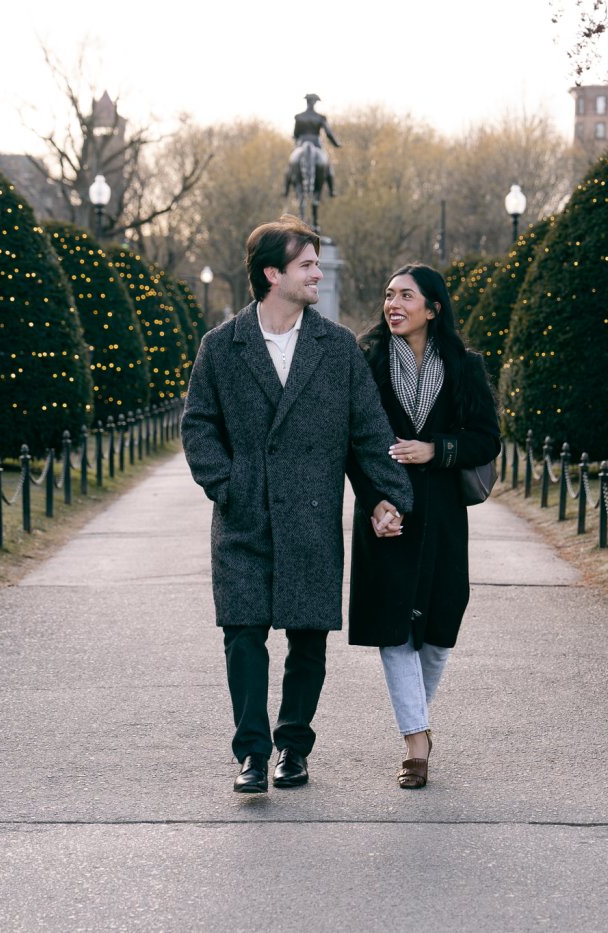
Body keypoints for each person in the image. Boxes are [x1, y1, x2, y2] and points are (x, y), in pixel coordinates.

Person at [182, 215, 413, 795]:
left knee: (307, 637)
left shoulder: (335, 349)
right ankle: (252, 754)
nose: (317, 272)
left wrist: (386, 497)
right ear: (272, 274)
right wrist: (225, 483)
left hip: (310, 518)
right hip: (243, 518)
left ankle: (293, 746)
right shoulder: (222, 346)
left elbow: (367, 431)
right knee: (243, 635)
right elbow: (199, 425)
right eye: (306, 264)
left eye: (315, 264)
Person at [346, 263, 500, 789]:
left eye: (406, 296)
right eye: (389, 295)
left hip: (442, 518)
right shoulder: (364, 361)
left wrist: (438, 450)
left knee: (437, 629)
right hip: (385, 514)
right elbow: (351, 444)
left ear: (432, 308)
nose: (393, 304)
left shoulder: (464, 365)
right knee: (395, 627)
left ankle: (418, 724)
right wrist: (374, 503)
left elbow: (486, 439)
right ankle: (416, 742)